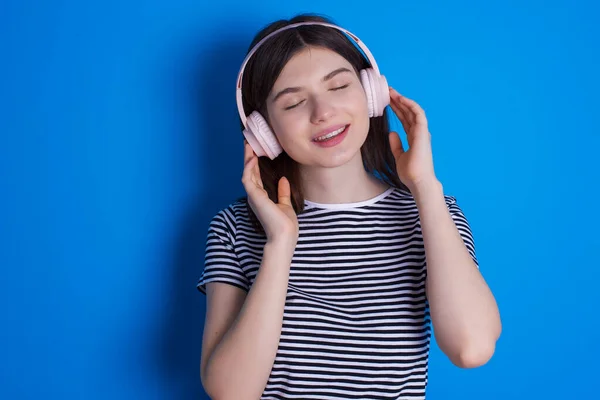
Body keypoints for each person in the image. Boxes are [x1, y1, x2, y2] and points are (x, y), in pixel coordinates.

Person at [196, 13, 501, 400]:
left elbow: (471, 348)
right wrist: (280, 245)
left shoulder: (432, 212)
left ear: (371, 92)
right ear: (263, 131)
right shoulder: (235, 227)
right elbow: (231, 394)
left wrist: (424, 188)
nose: (322, 112)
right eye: (293, 103)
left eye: (339, 86)